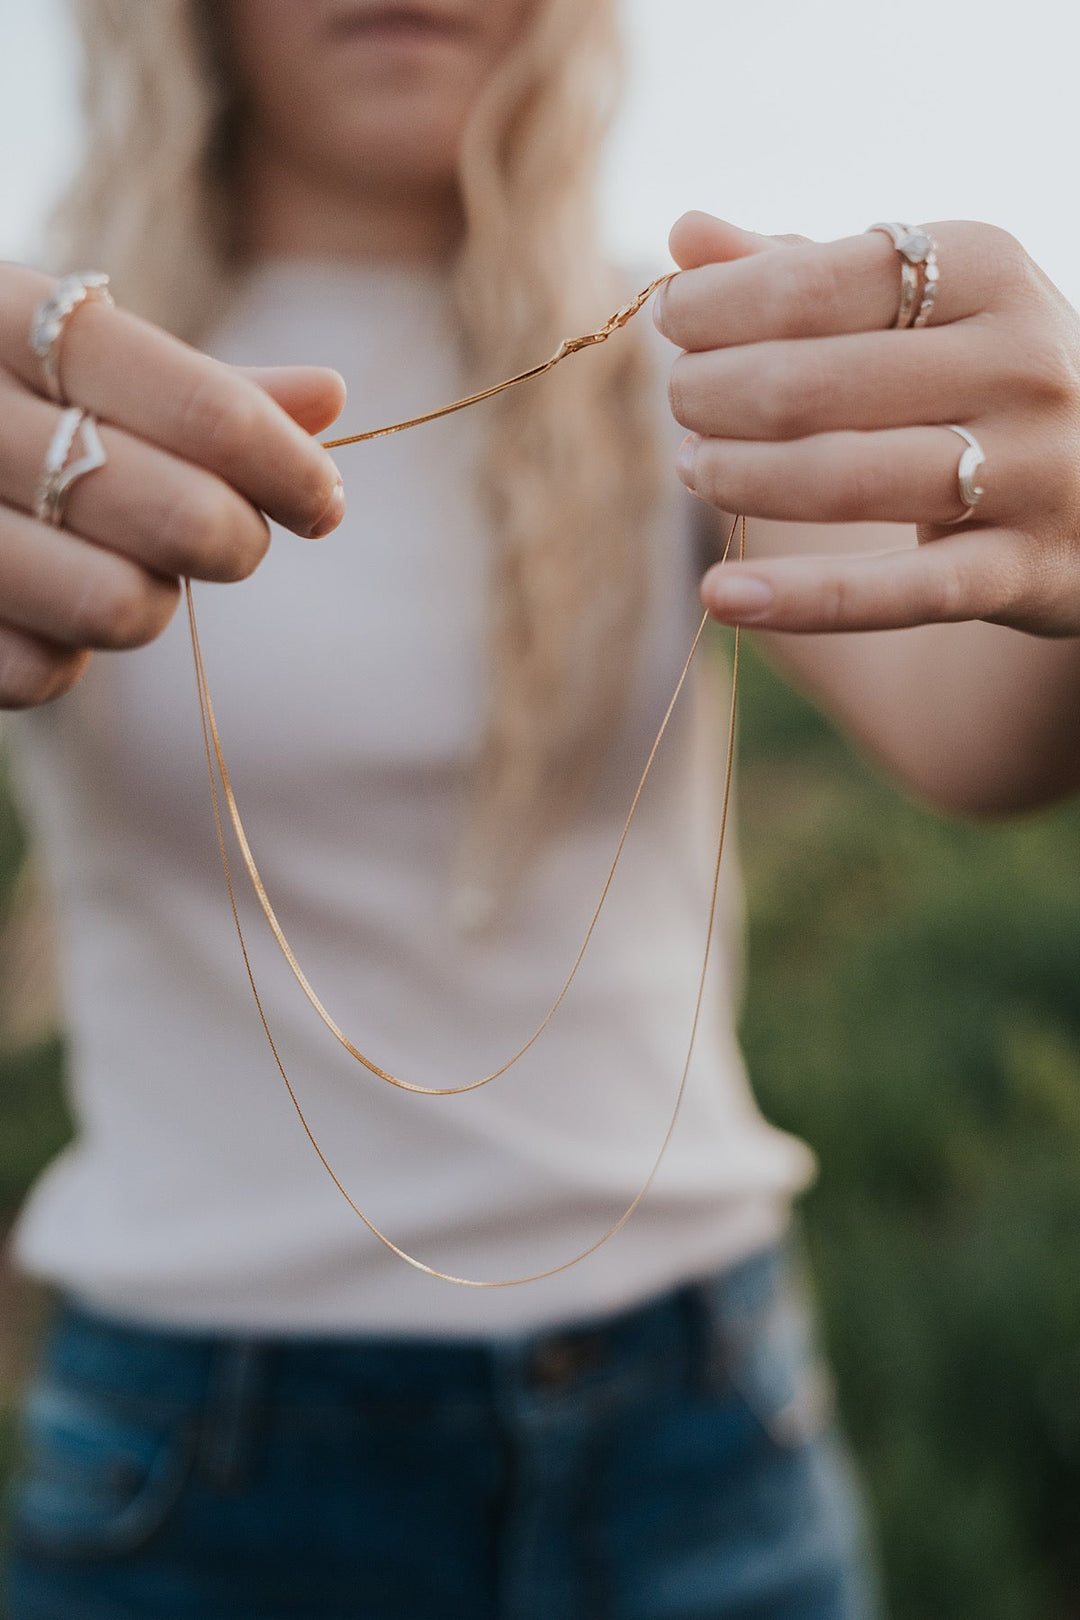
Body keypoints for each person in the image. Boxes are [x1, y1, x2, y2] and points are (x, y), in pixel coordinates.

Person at [1, 2, 1078, 1616]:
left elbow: (983, 735)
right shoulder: (49, 388)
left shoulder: (681, 356)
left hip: (698, 1430)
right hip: (192, 1465)